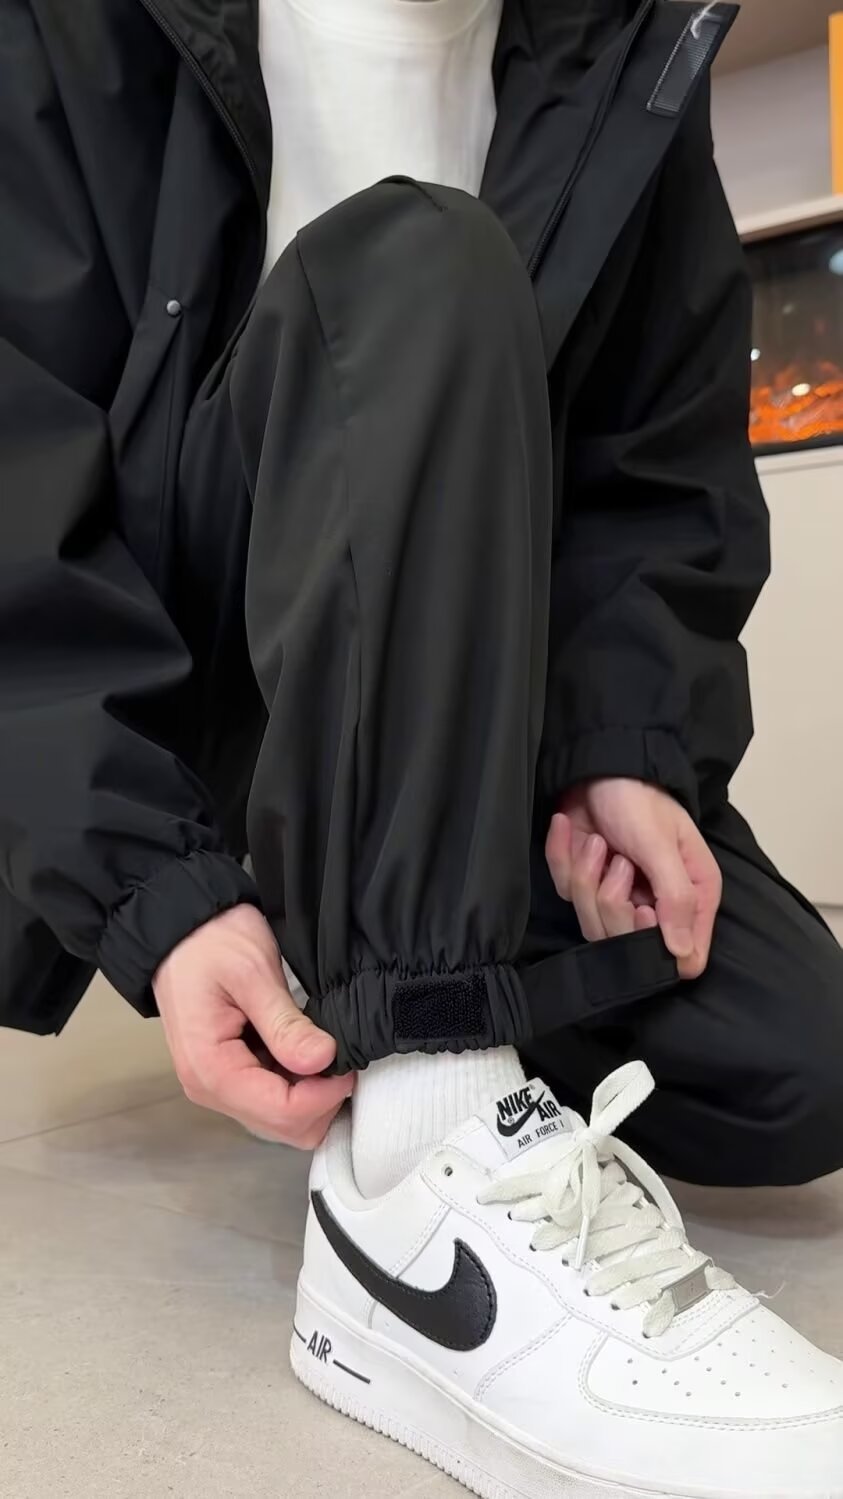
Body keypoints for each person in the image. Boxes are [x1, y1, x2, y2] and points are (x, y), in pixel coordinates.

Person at [2, 0, 842, 1492]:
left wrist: (620, 743)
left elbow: (656, 467)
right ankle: (412, 1178)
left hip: (457, 717)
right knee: (421, 257)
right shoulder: (69, 26)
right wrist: (149, 883)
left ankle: (401, 1007)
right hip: (200, 702)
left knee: (790, 1066)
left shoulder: (629, 43)